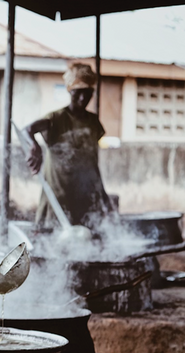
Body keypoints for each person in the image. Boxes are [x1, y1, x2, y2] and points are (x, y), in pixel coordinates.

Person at [25, 62, 117, 230]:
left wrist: (102, 195)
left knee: (87, 242)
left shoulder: (93, 121)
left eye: (88, 93)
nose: (83, 98)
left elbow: (92, 162)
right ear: (69, 90)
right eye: (78, 93)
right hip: (58, 196)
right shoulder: (56, 118)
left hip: (86, 196)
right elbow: (28, 129)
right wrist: (34, 146)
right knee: (52, 242)